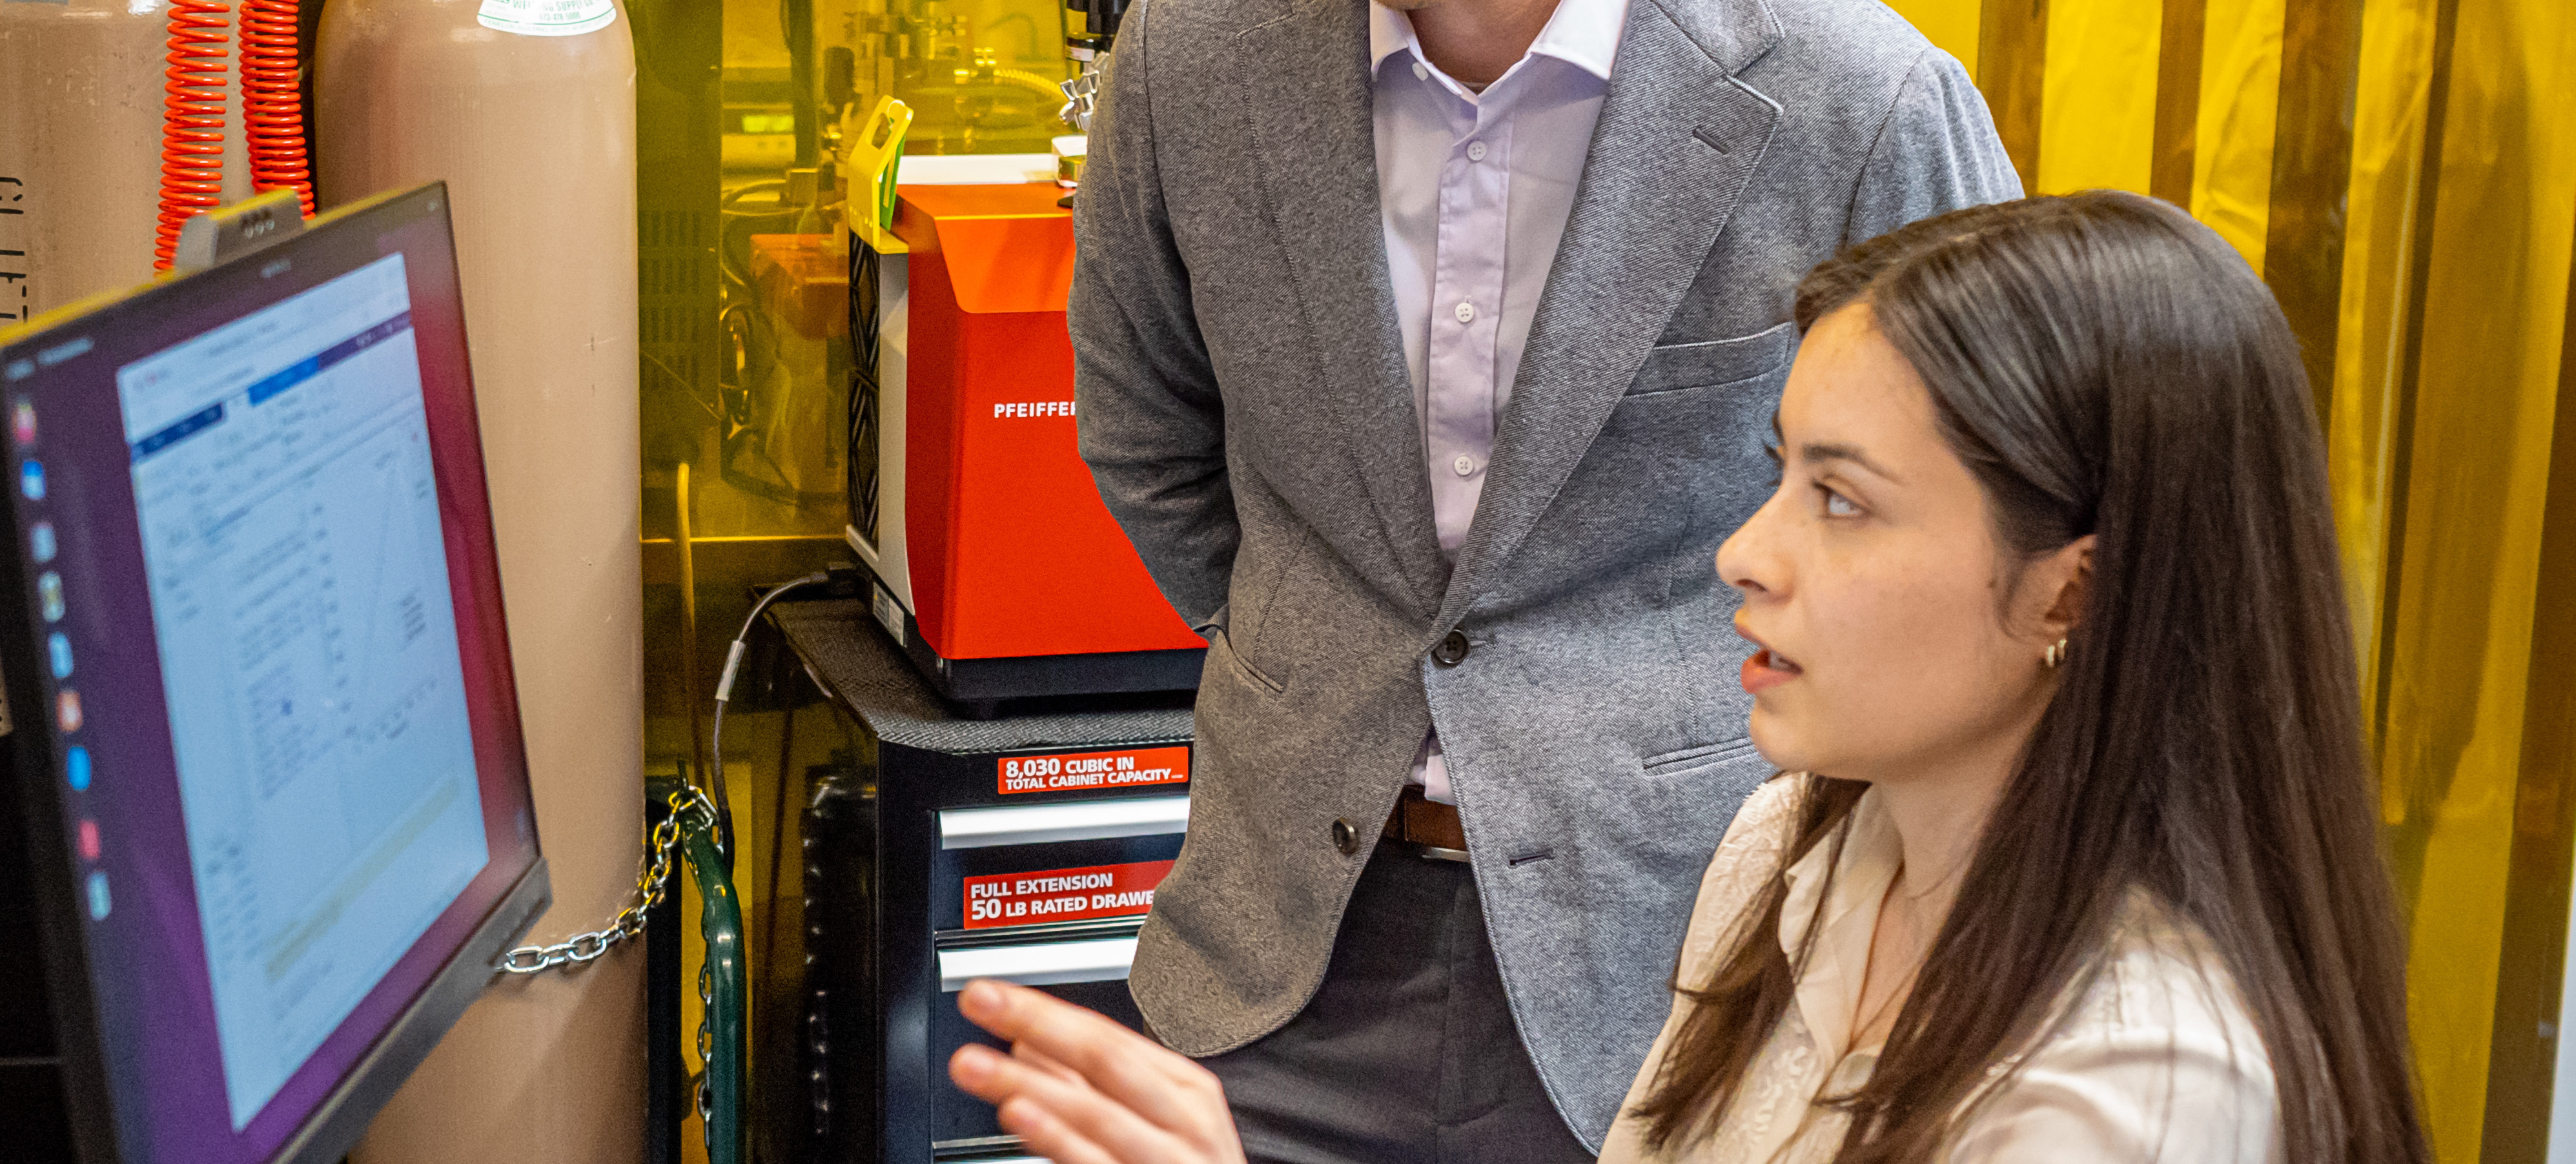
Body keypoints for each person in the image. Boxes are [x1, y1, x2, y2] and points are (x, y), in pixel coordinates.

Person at [1066, 0, 2017, 1158]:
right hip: (1282, 948)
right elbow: (1147, 436)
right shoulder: (1193, 66)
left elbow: (1995, 543)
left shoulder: (1853, 101)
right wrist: (1327, 649)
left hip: (1697, 967)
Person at [969, 192, 2431, 1163]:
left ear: (2076, 589)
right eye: (1775, 475)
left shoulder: (2134, 1091)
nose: (1745, 553)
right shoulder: (1790, 847)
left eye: (1843, 501)